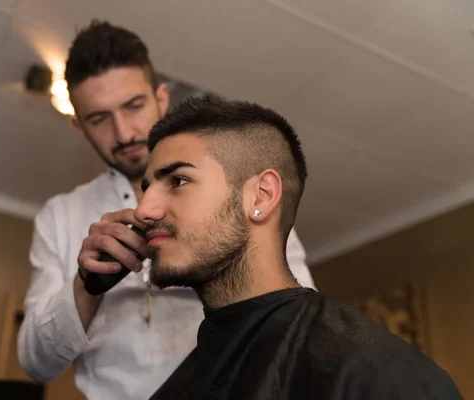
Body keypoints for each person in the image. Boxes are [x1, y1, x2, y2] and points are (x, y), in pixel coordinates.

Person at [17, 20, 316, 400]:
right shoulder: (59, 217)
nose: (123, 132)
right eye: (99, 118)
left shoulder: (233, 187)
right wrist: (85, 286)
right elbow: (35, 363)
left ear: (161, 97)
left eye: (134, 105)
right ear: (79, 124)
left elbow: (294, 318)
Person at [136, 96, 463, 400]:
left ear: (261, 196)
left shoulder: (372, 372)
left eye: (178, 181)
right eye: (146, 188)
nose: (144, 209)